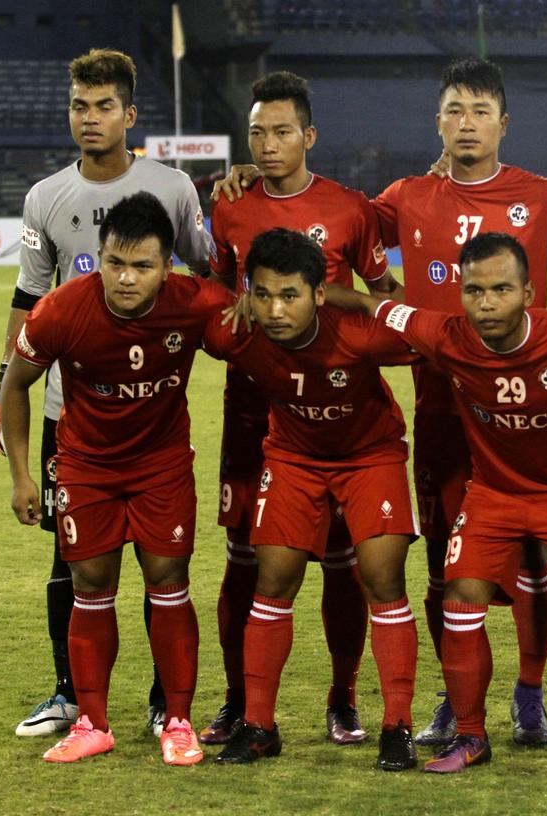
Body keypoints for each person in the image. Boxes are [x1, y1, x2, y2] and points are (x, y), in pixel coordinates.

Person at [214, 58, 547, 748]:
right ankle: (457, 701)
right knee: (446, 565)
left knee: (539, 559)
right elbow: (328, 221)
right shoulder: (404, 197)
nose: (467, 124)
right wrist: (253, 180)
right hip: (442, 408)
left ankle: (531, 691)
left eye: (480, 112)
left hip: (535, 414)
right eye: (454, 111)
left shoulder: (541, 197)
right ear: (438, 123)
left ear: (504, 123)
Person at [333, 232, 547, 776]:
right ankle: (471, 736)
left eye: (501, 289)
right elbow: (380, 307)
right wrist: (324, 292)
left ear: (529, 292)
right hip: (493, 493)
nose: (487, 303)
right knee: (461, 596)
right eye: (474, 291)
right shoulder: (446, 336)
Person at [0, 47, 210, 740]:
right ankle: (69, 692)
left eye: (104, 106)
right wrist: (6, 389)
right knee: (72, 554)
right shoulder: (45, 196)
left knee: (158, 559)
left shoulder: (172, 188)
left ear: (129, 114)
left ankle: (160, 701)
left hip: (149, 409)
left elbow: (206, 273)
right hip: (68, 405)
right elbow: (30, 297)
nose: (90, 118)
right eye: (80, 106)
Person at [201, 70, 399, 749]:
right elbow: (211, 294)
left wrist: (345, 305)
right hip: (253, 405)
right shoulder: (226, 206)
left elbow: (383, 292)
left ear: (309, 136)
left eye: (282, 131)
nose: (269, 143)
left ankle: (342, 698)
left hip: (340, 402)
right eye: (257, 131)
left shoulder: (349, 208)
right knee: (245, 557)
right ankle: (238, 699)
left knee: (346, 563)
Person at [1, 191, 232, 765]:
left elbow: (256, 347)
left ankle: (177, 721)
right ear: (99, 258)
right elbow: (15, 385)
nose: (126, 279)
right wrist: (22, 476)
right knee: (91, 584)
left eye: (143, 266)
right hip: (87, 465)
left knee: (168, 579)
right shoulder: (62, 308)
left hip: (162, 465)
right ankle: (93, 723)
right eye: (115, 263)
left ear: (167, 265)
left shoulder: (196, 301)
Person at [204, 228, 421, 769]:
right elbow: (176, 308)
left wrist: (364, 298)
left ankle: (398, 725)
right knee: (272, 580)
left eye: (290, 295)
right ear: (247, 294)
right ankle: (259, 725)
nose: (275, 310)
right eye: (262, 295)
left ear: (319, 294)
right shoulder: (236, 333)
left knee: (382, 579)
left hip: (371, 457)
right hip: (293, 460)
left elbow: (435, 332)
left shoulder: (360, 334)